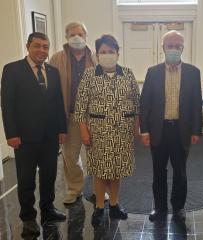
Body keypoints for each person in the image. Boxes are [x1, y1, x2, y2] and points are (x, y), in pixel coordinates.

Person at [1, 32, 67, 238]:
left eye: (45, 47)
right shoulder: (12, 70)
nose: (42, 51)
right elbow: (7, 105)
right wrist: (11, 134)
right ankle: (28, 217)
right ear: (28, 46)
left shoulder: (53, 72)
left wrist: (62, 129)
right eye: (37, 46)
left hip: (49, 135)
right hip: (25, 137)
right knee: (26, 178)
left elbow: (58, 103)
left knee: (49, 176)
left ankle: (48, 210)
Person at [74, 34, 140, 226]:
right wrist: (84, 132)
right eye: (103, 52)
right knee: (100, 172)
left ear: (118, 54)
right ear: (97, 54)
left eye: (111, 51)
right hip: (98, 134)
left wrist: (135, 130)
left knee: (116, 171)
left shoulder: (128, 74)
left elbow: (137, 105)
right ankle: (100, 207)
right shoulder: (89, 75)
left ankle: (114, 204)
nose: (107, 55)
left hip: (122, 133)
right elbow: (80, 107)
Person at [140, 30, 203, 222]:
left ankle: (178, 208)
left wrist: (196, 130)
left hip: (181, 130)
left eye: (177, 46)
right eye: (170, 46)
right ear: (163, 48)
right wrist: (144, 130)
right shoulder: (153, 72)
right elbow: (145, 103)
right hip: (159, 129)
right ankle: (159, 208)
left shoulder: (193, 72)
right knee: (159, 171)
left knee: (180, 171)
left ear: (183, 48)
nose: (174, 49)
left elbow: (195, 103)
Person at [49, 22, 97, 205]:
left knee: (96, 155)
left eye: (80, 34)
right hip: (69, 116)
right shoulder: (57, 59)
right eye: (72, 34)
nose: (76, 38)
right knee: (70, 155)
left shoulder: (96, 58)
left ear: (86, 36)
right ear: (66, 37)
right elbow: (52, 90)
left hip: (93, 117)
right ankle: (75, 188)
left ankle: (98, 188)